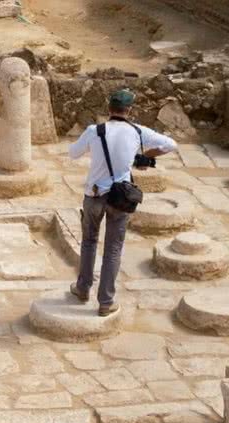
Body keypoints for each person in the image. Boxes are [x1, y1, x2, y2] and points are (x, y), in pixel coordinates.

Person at [68, 89, 178, 316]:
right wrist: (146, 156)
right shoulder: (138, 131)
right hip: (121, 198)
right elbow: (171, 144)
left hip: (95, 194)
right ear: (129, 110)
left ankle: (82, 288)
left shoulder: (94, 131)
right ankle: (105, 302)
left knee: (89, 242)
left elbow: (73, 153)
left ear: (109, 109)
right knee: (113, 250)